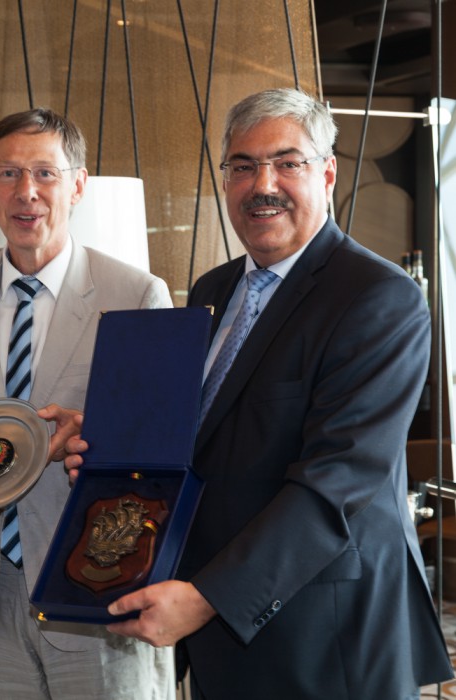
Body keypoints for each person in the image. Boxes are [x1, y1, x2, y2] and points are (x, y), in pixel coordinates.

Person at [68, 88, 454, 698]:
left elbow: (335, 484)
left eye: (287, 162)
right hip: (223, 630)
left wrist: (207, 598)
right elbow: (199, 436)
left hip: (326, 638)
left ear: (327, 173)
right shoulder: (212, 289)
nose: (262, 184)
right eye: (242, 166)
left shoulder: (377, 298)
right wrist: (107, 437)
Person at [0, 108, 174, 699]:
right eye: (7, 174)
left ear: (77, 185)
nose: (25, 192)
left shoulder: (135, 294)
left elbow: (160, 439)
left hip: (99, 576)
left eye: (45, 174)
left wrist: (92, 432)